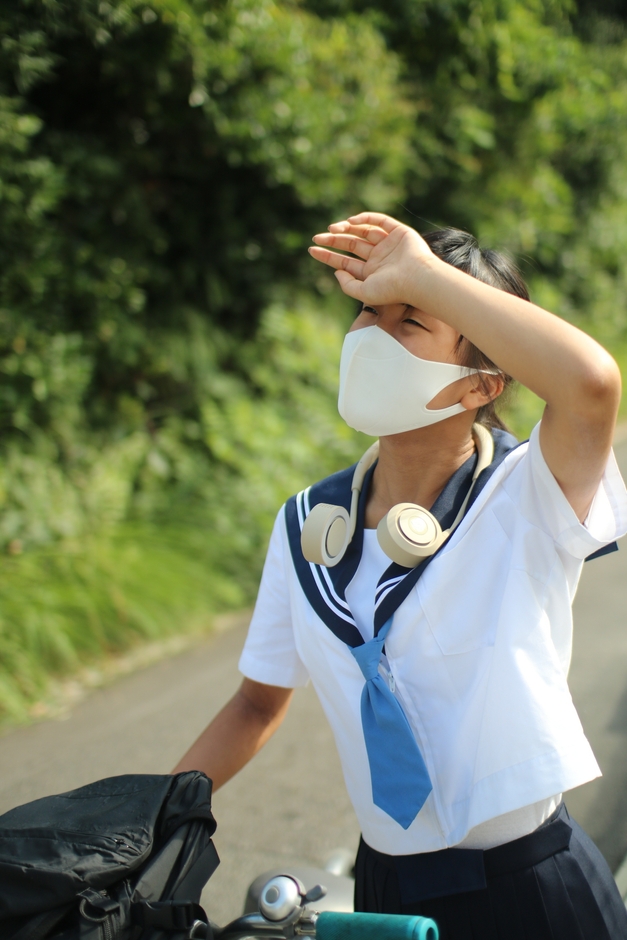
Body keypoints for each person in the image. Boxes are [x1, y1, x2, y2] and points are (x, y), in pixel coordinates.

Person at [173, 212, 627, 939]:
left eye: (409, 321)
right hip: (385, 888)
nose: (370, 337)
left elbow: (591, 383)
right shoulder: (307, 521)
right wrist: (148, 814)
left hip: (532, 887)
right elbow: (256, 705)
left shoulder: (525, 492)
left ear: (480, 384)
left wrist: (425, 274)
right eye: (365, 312)